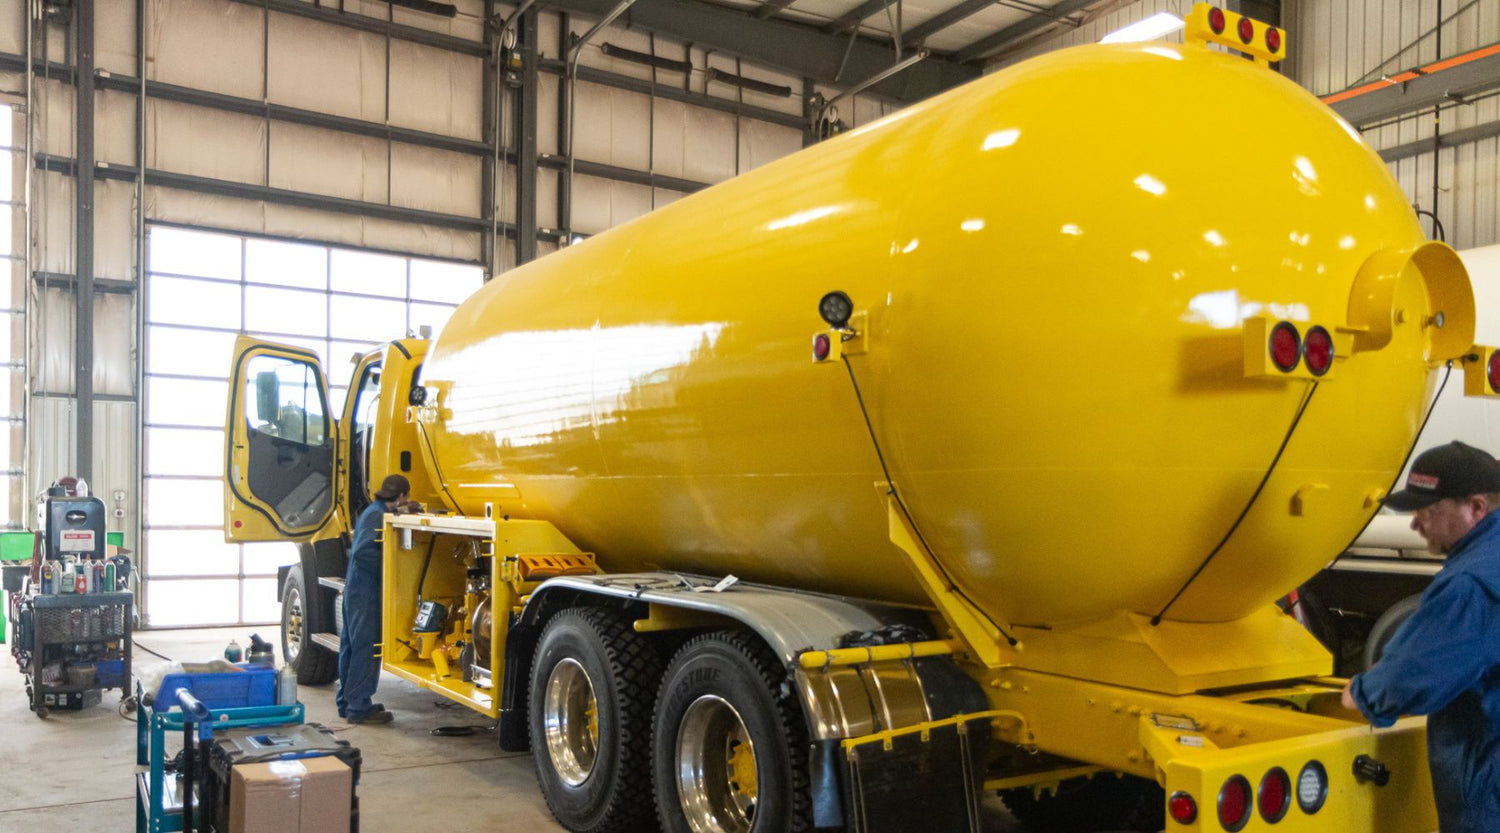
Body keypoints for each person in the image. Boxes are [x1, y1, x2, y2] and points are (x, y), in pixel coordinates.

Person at [1342, 440, 1500, 832]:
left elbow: (1410, 676)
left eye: (1428, 511)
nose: (1414, 524)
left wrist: (1363, 692)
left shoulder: (1470, 584)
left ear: (1476, 507)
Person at [336, 474, 411, 725]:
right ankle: (358, 706)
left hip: (357, 589)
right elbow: (364, 552)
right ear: (401, 496)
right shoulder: (378, 516)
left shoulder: (373, 510)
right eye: (406, 497)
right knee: (365, 649)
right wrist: (392, 569)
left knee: (351, 645)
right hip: (365, 592)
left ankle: (347, 702)